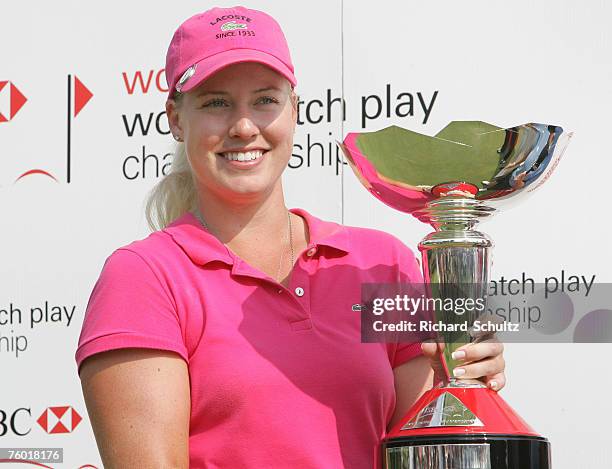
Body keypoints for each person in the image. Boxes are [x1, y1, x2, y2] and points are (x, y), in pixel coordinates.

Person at [75, 6, 506, 469]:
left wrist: (460, 385)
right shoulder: (145, 278)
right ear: (177, 120)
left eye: (265, 100)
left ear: (295, 110)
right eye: (216, 102)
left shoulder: (380, 263)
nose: (244, 126)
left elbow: (423, 449)